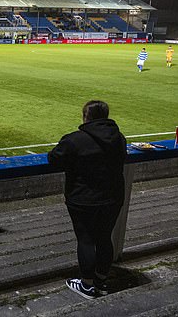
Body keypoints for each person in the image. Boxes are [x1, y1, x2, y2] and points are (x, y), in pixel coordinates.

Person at [48, 100, 127, 299]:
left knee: (86, 239)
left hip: (83, 198)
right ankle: (101, 282)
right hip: (113, 196)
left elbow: (54, 159)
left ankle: (87, 285)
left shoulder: (75, 140)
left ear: (86, 117)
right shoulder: (119, 138)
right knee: (104, 237)